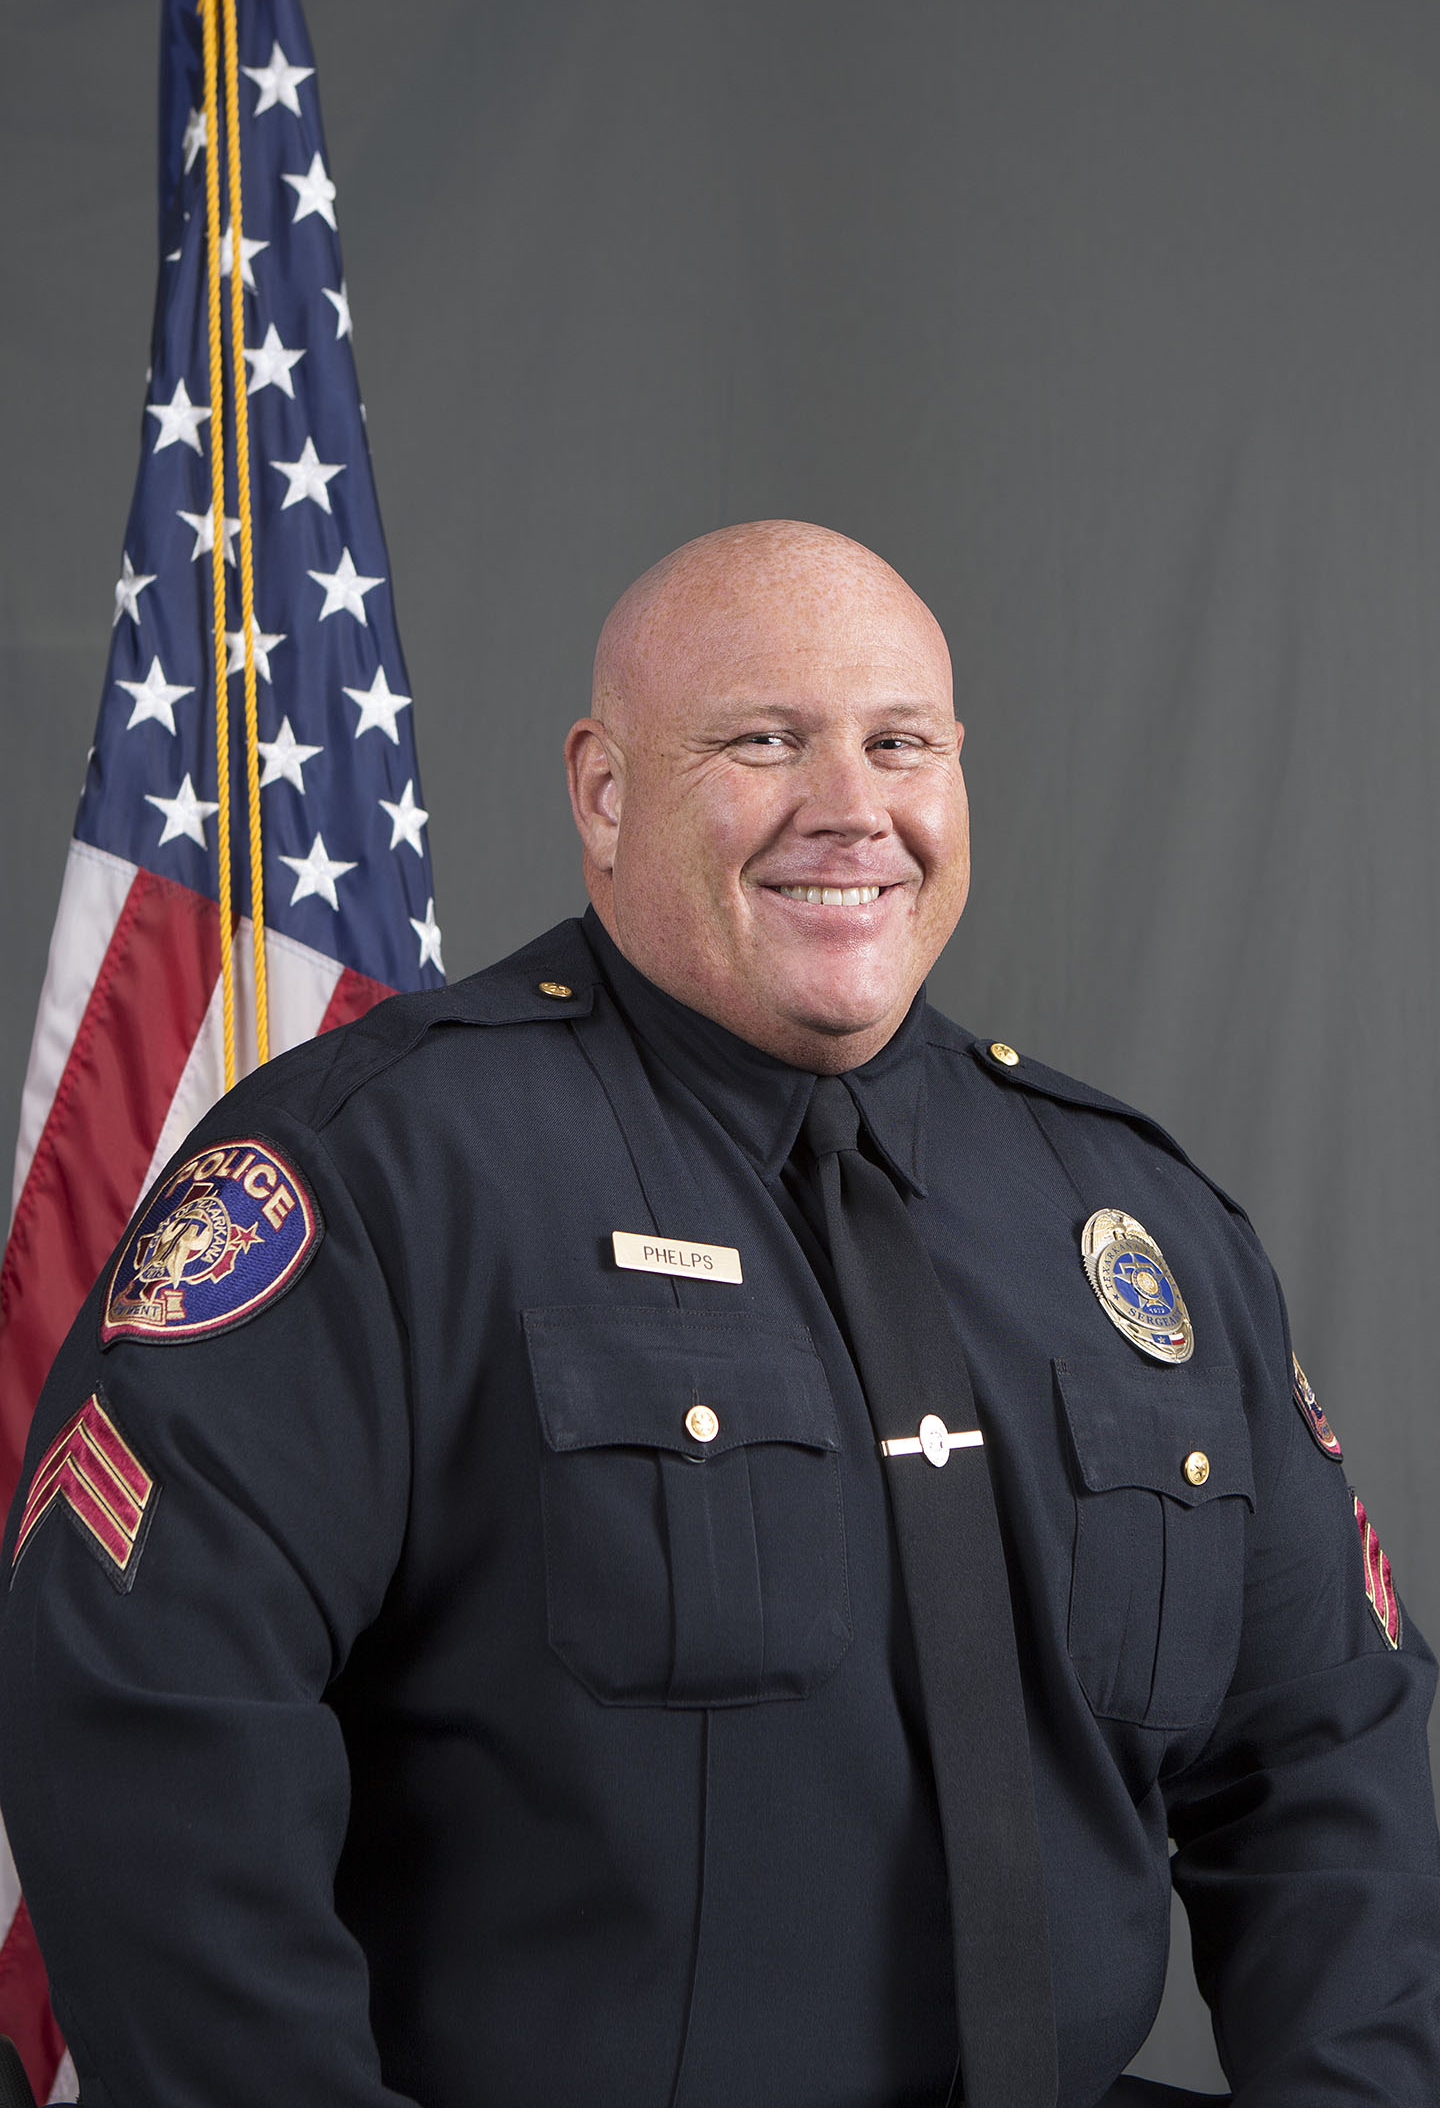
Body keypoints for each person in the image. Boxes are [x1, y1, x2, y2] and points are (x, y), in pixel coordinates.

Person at [2, 520, 1438, 2108]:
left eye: (903, 745)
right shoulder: (383, 1175)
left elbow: (1330, 1759)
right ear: (603, 793)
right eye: (765, 742)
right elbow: (151, 1734)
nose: (855, 810)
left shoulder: (1136, 1220)